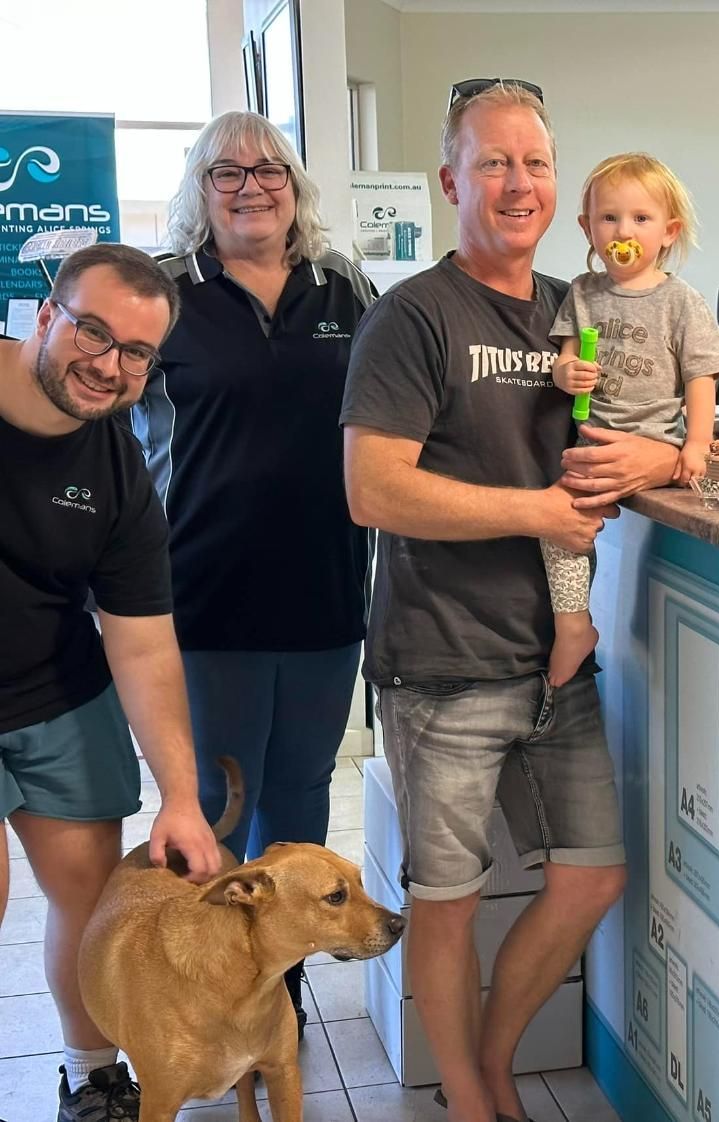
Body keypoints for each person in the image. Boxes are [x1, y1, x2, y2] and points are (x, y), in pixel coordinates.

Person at [340, 80, 677, 1122]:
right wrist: (535, 512)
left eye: (534, 163)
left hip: (558, 660)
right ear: (451, 180)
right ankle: (478, 1105)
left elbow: (645, 429)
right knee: (447, 907)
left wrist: (662, 449)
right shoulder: (412, 317)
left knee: (590, 878)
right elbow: (373, 489)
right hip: (440, 662)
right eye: (494, 162)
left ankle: (485, 1063)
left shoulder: (572, 313)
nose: (518, 183)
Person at [132, 111, 376, 1032]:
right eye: (225, 171)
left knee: (303, 799)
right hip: (203, 592)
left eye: (268, 169)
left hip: (325, 587)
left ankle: (279, 995)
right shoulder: (165, 291)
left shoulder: (343, 287)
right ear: (200, 189)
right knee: (218, 807)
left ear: (295, 185)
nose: (249, 186)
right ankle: (200, 996)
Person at [0, 243, 221, 1121]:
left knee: (91, 902)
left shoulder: (120, 475)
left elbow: (141, 645)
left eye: (137, 352)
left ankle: (92, 1074)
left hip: (55, 689)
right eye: (94, 331)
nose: (110, 364)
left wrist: (182, 795)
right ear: (46, 315)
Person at [545, 151, 719, 684]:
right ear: (587, 228)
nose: (622, 231)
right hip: (593, 443)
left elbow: (702, 378)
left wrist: (696, 445)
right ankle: (573, 622)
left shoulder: (680, 301)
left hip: (656, 440)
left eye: (640, 219)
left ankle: (619, 630)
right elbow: (563, 356)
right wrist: (566, 375)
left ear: (668, 232)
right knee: (559, 525)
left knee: (660, 550)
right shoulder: (582, 293)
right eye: (609, 218)